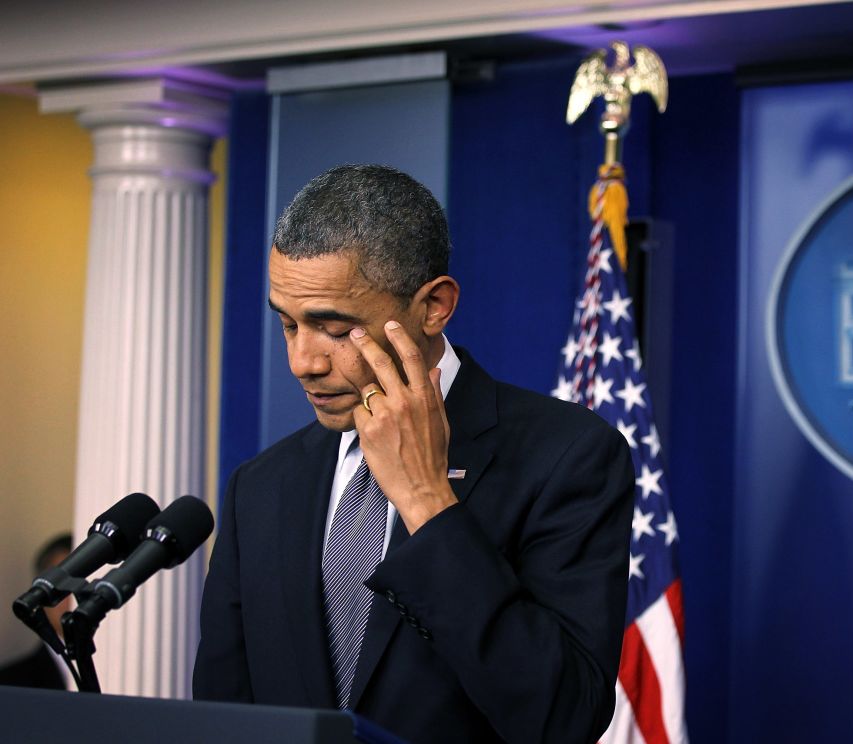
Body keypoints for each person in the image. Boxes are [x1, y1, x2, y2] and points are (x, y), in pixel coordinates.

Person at [193, 164, 634, 743]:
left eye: (332, 327)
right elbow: (225, 716)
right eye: (288, 324)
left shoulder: (568, 455)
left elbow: (563, 716)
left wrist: (427, 500)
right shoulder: (261, 485)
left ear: (434, 307)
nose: (304, 361)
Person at [0, 534, 73, 690]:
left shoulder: (119, 668)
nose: (73, 596)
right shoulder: (10, 685)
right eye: (62, 584)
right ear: (39, 594)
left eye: (84, 581)